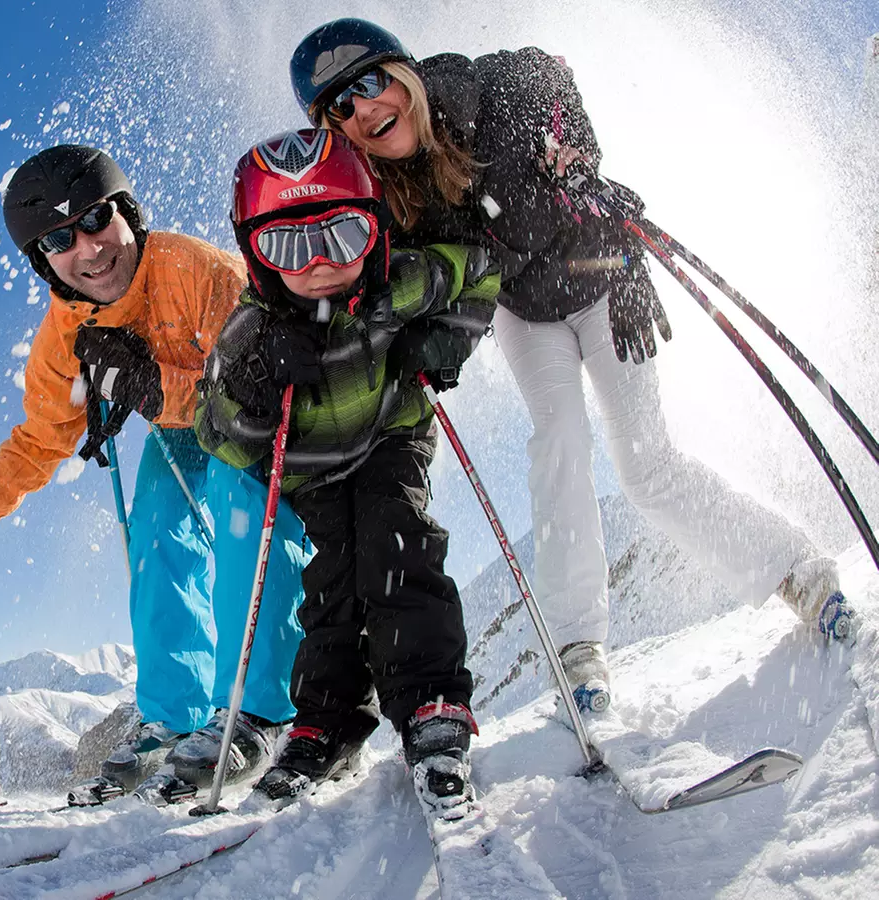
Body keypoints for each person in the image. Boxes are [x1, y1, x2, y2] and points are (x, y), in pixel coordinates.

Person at [289, 19, 851, 713]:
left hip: (602, 281)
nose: (365, 109)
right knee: (559, 442)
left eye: (372, 83)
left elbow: (549, 72)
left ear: (402, 75)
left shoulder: (477, 95)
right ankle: (579, 647)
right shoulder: (390, 197)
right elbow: (404, 277)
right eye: (340, 107)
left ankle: (800, 573)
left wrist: (580, 159)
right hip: (528, 314)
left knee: (648, 466)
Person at [0, 145, 311, 800]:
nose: (88, 248)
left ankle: (264, 712)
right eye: (59, 238)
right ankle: (176, 720)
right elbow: (36, 445)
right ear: (42, 260)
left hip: (249, 423)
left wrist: (148, 384)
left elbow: (255, 397)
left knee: (240, 505)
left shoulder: (194, 270)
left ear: (128, 213)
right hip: (182, 429)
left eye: (96, 219)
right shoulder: (64, 336)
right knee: (157, 533)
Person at [197, 128, 499, 818]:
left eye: (342, 233)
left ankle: (430, 699)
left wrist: (448, 336)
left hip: (391, 433)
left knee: (396, 541)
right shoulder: (252, 330)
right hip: (312, 468)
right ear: (255, 254)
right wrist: (253, 381)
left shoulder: (397, 283)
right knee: (333, 585)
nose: (320, 264)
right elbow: (214, 429)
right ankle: (327, 722)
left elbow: (478, 267)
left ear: (376, 227)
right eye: (288, 245)